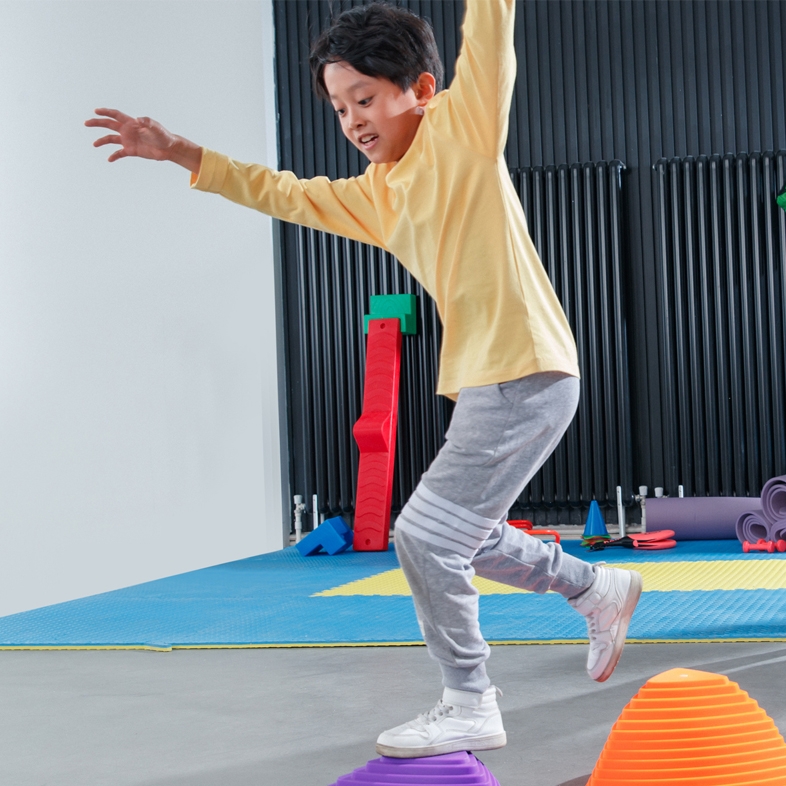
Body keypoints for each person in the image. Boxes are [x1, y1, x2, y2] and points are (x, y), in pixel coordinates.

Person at [86, 0, 642, 760]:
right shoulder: (375, 194)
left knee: (421, 535)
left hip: (526, 367)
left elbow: (490, 31)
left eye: (367, 99)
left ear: (420, 89)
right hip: (490, 379)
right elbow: (280, 191)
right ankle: (592, 588)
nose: (352, 119)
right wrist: (179, 149)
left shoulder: (463, 129)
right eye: (341, 106)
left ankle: (469, 699)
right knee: (463, 538)